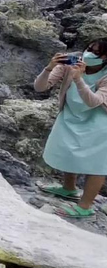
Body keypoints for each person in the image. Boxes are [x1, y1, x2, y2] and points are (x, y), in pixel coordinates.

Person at [34, 38, 107, 219]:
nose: (89, 54)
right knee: (67, 148)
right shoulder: (71, 63)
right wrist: (49, 68)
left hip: (99, 120)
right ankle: (69, 187)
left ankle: (85, 206)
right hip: (71, 113)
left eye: (97, 52)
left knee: (97, 164)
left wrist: (78, 79)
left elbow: (93, 101)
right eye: (89, 49)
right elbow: (40, 87)